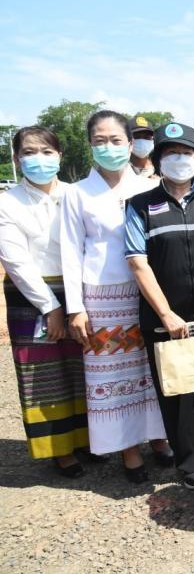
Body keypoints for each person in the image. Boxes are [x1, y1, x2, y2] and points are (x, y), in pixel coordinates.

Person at [125, 122, 194, 489]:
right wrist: (166, 314)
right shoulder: (140, 205)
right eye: (171, 153)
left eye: (186, 152)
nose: (179, 159)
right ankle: (190, 463)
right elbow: (138, 263)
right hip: (167, 323)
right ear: (158, 159)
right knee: (178, 395)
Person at [59, 110, 168, 483]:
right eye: (100, 141)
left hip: (147, 291)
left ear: (130, 143)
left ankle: (159, 436)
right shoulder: (76, 193)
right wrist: (75, 308)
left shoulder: (149, 187)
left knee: (151, 369)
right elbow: (70, 252)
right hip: (102, 297)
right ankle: (128, 449)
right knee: (115, 375)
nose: (109, 147)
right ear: (90, 145)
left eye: (116, 140)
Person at [0, 126, 90, 477]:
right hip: (32, 294)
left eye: (46, 151)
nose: (39, 159)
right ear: (17, 158)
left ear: (59, 156)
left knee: (82, 367)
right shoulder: (8, 202)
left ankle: (86, 439)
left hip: (76, 290)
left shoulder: (74, 194)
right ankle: (59, 450)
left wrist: (75, 302)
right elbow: (16, 261)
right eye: (29, 152)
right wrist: (50, 307)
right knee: (45, 373)